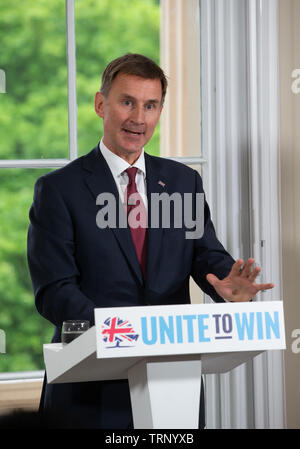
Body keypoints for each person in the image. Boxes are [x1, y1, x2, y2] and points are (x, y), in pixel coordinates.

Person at [27, 53, 274, 429]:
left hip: (174, 387)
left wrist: (227, 283)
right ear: (100, 104)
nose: (138, 118)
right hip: (89, 392)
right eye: (127, 102)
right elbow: (54, 291)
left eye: (150, 105)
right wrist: (124, 333)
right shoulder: (59, 190)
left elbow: (205, 253)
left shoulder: (182, 182)